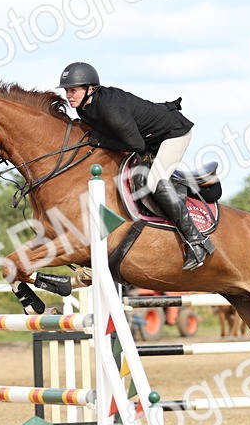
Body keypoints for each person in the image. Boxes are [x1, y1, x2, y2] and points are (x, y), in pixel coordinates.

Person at [57, 62, 215, 270]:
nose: (69, 96)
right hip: (148, 140)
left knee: (154, 180)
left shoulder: (110, 109)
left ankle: (197, 241)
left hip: (172, 134)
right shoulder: (84, 108)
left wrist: (100, 141)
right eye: (67, 91)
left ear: (90, 88)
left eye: (73, 90)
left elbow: (136, 145)